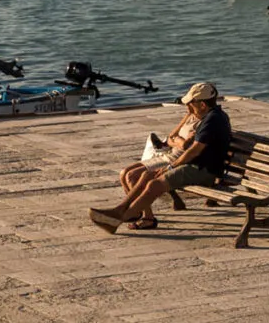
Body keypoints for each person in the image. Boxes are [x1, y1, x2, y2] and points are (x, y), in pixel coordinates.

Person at [90, 82, 232, 234]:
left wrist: (170, 167)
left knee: (154, 185)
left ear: (202, 104)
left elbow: (193, 152)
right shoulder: (210, 116)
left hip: (204, 170)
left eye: (192, 103)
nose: (189, 107)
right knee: (148, 175)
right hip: (193, 166)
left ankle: (118, 218)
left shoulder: (213, 120)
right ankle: (118, 210)